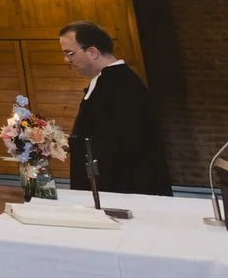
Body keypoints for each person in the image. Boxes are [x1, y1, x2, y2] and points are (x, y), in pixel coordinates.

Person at [60, 21, 173, 196]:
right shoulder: (106, 80)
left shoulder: (122, 85)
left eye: (70, 53)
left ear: (92, 52)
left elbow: (127, 143)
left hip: (123, 187)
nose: (66, 60)